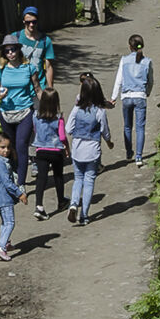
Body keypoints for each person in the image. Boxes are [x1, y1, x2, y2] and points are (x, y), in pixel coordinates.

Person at [0, 39, 43, 187]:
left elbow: (38, 89)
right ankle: (14, 175)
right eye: (7, 50)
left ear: (18, 50)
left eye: (13, 49)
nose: (10, 53)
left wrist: (49, 107)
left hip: (25, 111)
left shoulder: (29, 68)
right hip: (6, 113)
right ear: (3, 52)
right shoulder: (0, 70)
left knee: (22, 145)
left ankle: (20, 183)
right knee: (11, 147)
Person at [67, 74, 114, 225]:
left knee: (78, 179)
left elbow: (68, 128)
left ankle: (74, 203)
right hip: (92, 150)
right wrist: (109, 142)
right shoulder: (100, 111)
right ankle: (84, 215)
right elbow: (105, 131)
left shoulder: (76, 109)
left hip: (77, 149)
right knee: (89, 182)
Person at [29, 87, 70, 219]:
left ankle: (39, 206)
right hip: (56, 150)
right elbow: (62, 137)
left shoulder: (35, 116)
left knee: (42, 178)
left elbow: (35, 130)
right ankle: (61, 201)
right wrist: (66, 148)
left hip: (41, 150)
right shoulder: (58, 118)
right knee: (58, 176)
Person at [114, 34, 153, 165]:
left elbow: (119, 80)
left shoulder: (124, 60)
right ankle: (139, 156)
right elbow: (150, 81)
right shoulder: (147, 61)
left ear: (130, 46)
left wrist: (114, 98)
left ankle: (128, 151)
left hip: (126, 96)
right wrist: (147, 92)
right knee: (140, 127)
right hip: (140, 96)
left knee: (127, 126)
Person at [0, 132, 20, 260]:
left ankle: (5, 243)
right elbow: (7, 183)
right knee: (10, 222)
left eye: (8, 147)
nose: (6, 150)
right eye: (2, 147)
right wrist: (20, 194)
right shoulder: (0, 164)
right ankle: (0, 247)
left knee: (5, 222)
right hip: (3, 197)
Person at [9, 6, 57, 90]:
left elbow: (48, 67)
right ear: (23, 21)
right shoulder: (15, 37)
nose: (31, 24)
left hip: (38, 86)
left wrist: (50, 88)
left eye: (34, 22)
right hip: (19, 85)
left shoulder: (45, 40)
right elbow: (6, 61)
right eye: (28, 22)